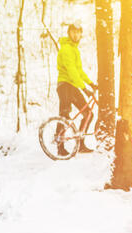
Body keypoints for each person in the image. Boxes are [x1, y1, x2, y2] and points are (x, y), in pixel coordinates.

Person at [56, 22, 97, 155]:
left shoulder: (75, 49)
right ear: (69, 33)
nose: (76, 34)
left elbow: (79, 71)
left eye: (78, 32)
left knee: (88, 114)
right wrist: (84, 88)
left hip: (72, 85)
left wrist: (90, 83)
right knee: (65, 114)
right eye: (73, 32)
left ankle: (80, 144)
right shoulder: (66, 48)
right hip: (65, 85)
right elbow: (72, 71)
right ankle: (60, 147)